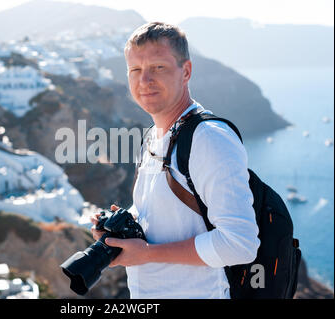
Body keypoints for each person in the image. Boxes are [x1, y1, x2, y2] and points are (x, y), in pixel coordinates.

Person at [91, 22, 260, 299]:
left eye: (158, 67)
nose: (144, 81)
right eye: (135, 70)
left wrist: (147, 255)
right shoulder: (153, 138)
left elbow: (240, 243)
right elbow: (170, 213)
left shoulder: (209, 138)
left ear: (186, 72)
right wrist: (124, 223)